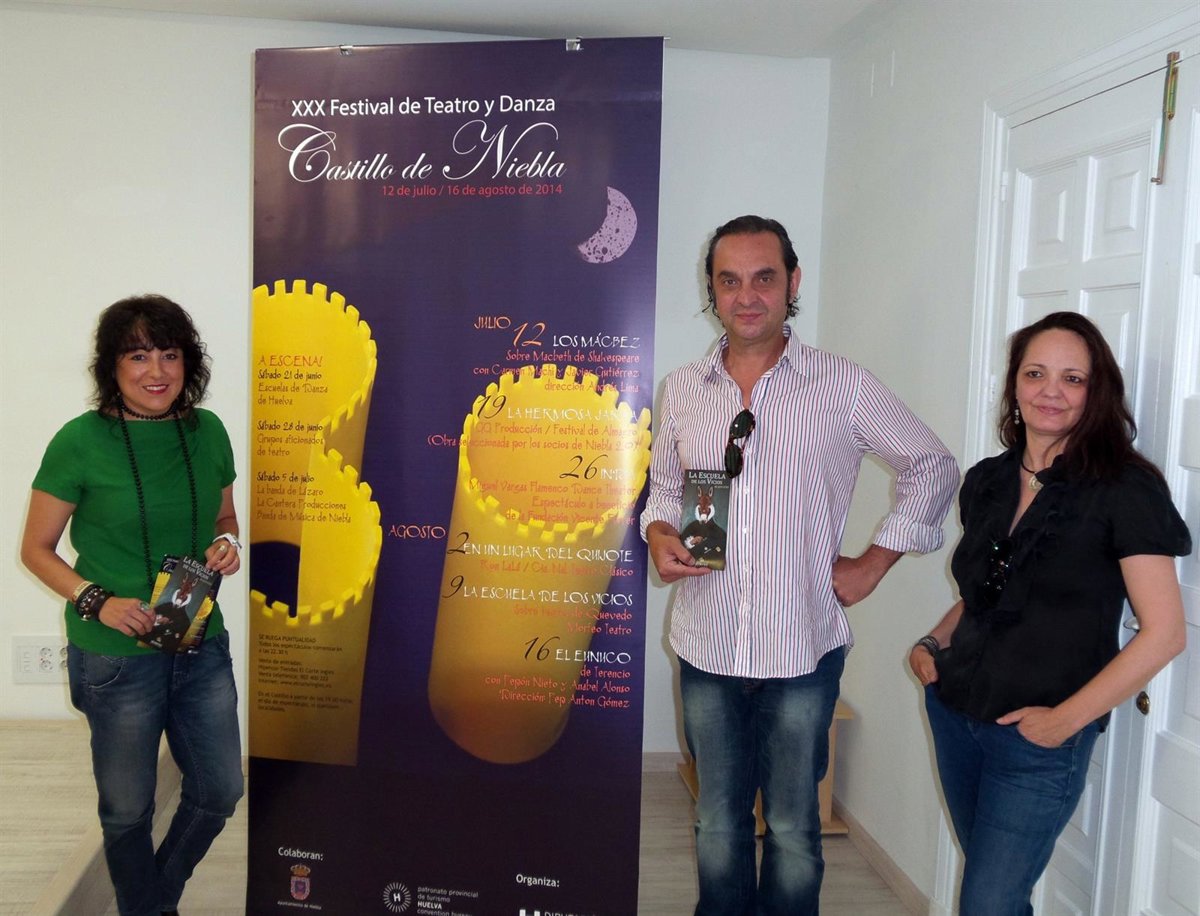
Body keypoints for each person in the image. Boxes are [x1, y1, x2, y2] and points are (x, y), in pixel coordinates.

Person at [640, 215, 959, 915]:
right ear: (711, 290)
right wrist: (660, 531)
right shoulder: (683, 388)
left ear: (793, 283)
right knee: (717, 823)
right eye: (729, 281)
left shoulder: (841, 385)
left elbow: (932, 465)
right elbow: (665, 489)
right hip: (707, 644)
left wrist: (873, 563)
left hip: (801, 648)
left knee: (791, 828)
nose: (746, 296)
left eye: (764, 278)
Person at [910, 311, 1190, 915]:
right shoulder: (987, 480)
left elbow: (1165, 633)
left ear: (1097, 391)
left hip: (1036, 742)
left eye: (1073, 378)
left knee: (987, 904)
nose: (1051, 392)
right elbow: (986, 593)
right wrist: (932, 643)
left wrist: (1065, 723)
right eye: (1035, 373)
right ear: (1014, 383)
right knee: (998, 898)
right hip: (956, 715)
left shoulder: (1125, 489)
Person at [20, 295, 245, 916]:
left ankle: (150, 902)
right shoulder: (80, 441)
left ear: (188, 362)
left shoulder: (208, 431)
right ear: (111, 366)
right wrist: (97, 601)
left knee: (220, 790)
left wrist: (227, 544)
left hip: (199, 642)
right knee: (126, 811)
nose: (157, 371)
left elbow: (224, 517)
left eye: (170, 354)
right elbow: (35, 549)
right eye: (139, 356)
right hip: (115, 656)